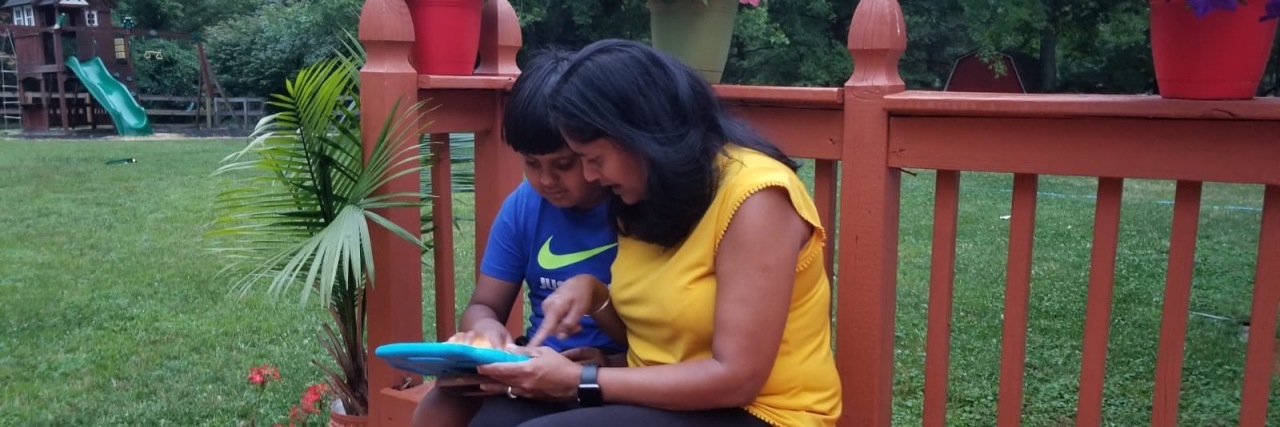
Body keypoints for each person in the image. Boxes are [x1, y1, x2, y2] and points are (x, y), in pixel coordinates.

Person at [471, 39, 842, 427]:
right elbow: (655, 338)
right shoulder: (644, 195)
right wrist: (597, 303)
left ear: (638, 135)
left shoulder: (757, 198)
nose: (591, 176)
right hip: (664, 402)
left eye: (593, 160)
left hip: (761, 412)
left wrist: (583, 381)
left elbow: (737, 379)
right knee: (493, 420)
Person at [411, 49, 627, 427]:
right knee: (438, 411)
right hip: (536, 367)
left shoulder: (630, 203)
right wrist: (488, 331)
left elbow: (662, 338)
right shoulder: (525, 207)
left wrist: (611, 363)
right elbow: (483, 305)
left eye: (563, 164)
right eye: (531, 163)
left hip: (609, 374)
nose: (546, 180)